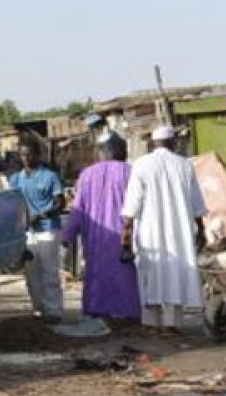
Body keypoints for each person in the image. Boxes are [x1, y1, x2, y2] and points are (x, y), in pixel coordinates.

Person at [120, 126, 206, 334]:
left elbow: (132, 203)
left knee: (150, 274)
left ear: (152, 143)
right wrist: (200, 230)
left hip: (151, 230)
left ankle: (151, 323)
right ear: (173, 142)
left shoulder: (141, 165)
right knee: (175, 274)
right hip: (179, 231)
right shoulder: (185, 165)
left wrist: (126, 232)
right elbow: (196, 203)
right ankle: (172, 324)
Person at [61, 135, 139, 336]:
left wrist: (67, 236)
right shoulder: (130, 172)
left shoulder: (87, 175)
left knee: (96, 276)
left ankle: (98, 313)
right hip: (125, 239)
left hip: (95, 240)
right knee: (125, 277)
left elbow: (77, 210)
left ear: (102, 152)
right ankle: (126, 316)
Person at [8, 138, 66, 324]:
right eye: (23, 155)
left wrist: (40, 216)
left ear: (37, 155)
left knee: (49, 272)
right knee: (31, 274)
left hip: (47, 229)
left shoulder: (49, 177)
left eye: (29, 154)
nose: (26, 158)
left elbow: (60, 203)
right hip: (26, 231)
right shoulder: (16, 179)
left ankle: (54, 310)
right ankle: (38, 308)